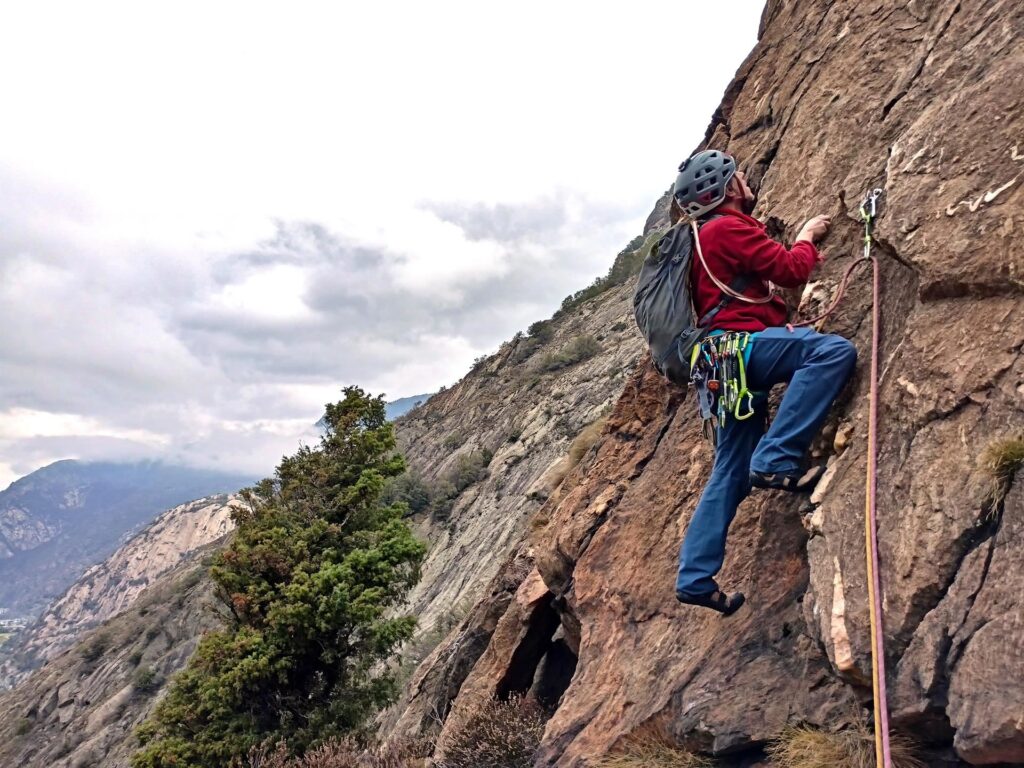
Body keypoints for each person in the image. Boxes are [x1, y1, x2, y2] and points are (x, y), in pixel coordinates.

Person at [671, 149, 858, 616]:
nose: (747, 180)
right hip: (740, 349)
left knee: (731, 468)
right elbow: (793, 270)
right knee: (831, 351)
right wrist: (807, 237)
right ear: (729, 187)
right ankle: (776, 457)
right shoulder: (726, 228)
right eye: (740, 176)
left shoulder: (698, 238)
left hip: (716, 367)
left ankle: (695, 576)